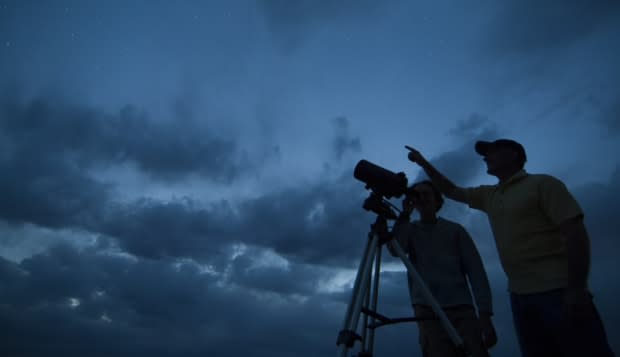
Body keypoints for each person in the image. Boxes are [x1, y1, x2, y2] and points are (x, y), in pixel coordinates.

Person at [405, 139, 615, 357]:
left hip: (559, 291)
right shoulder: (490, 195)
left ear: (514, 155)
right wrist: (423, 163)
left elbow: (575, 233)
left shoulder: (543, 184)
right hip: (520, 297)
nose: (486, 157)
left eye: (492, 152)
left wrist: (577, 288)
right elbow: (451, 190)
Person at [388, 180, 497, 357]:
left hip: (461, 310)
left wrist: (484, 313)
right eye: (417, 195)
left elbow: (476, 272)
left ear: (438, 200)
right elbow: (395, 249)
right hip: (427, 310)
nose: (422, 198)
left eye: (426, 194)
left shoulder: (455, 231)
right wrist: (404, 216)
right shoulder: (411, 229)